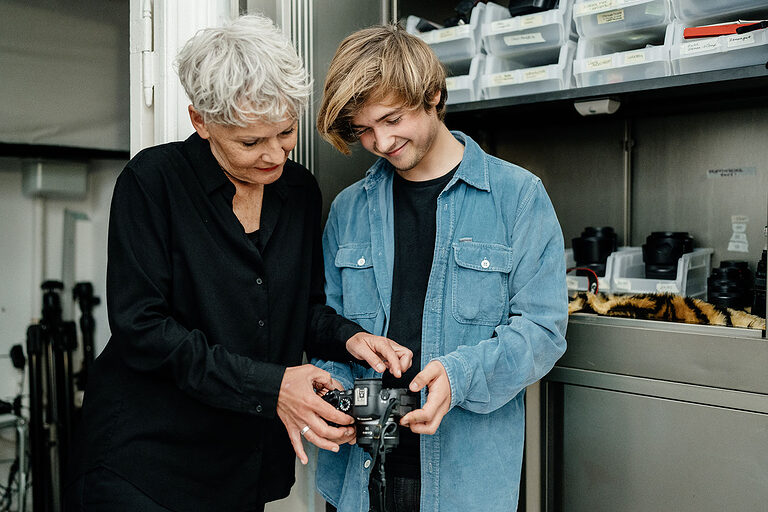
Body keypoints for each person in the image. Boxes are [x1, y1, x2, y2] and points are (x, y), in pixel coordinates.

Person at [64, 15, 411, 512]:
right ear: (200, 121)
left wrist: (348, 336)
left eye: (286, 132)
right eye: (250, 142)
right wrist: (274, 386)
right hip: (144, 466)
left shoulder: (298, 192)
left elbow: (298, 308)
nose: (274, 155)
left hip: (241, 469)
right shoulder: (153, 182)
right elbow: (143, 329)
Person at [313, 24, 568, 512]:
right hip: (357, 479)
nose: (381, 141)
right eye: (363, 129)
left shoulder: (518, 197)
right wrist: (333, 392)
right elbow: (327, 325)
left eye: (392, 118)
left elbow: (542, 331)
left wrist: (461, 374)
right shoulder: (348, 210)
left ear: (432, 94)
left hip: (465, 482)